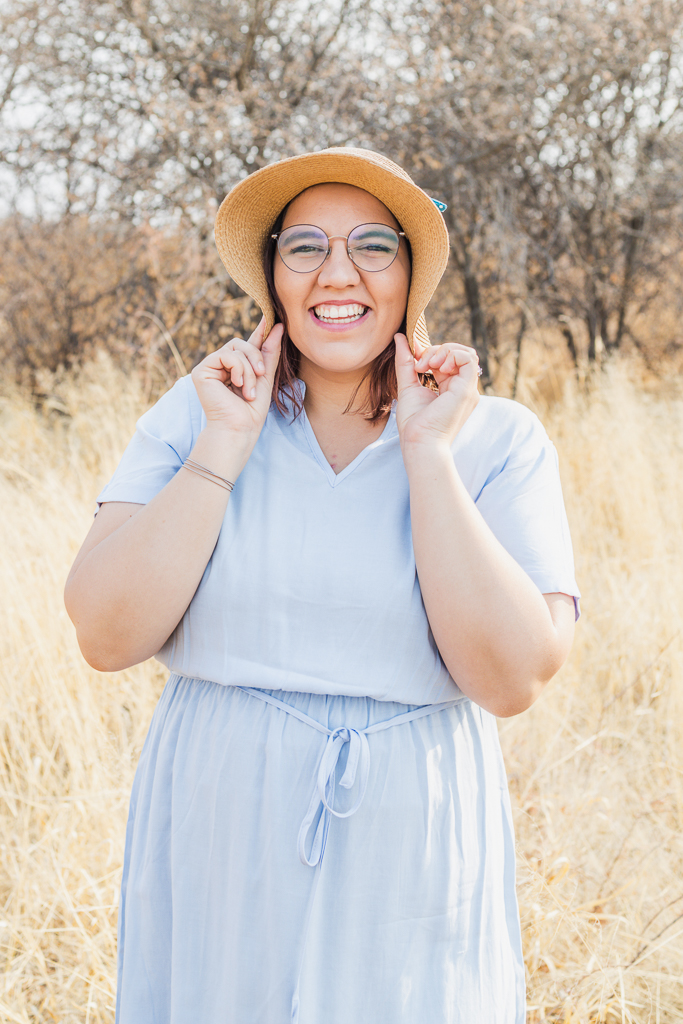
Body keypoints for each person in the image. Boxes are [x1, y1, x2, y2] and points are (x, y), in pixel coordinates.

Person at [64, 148, 580, 1024]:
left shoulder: (495, 439)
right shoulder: (196, 412)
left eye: (374, 245)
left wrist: (427, 453)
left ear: (411, 275)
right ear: (271, 274)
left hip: (409, 837)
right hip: (220, 826)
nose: (337, 273)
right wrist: (222, 449)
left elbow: (513, 678)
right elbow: (105, 636)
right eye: (303, 246)